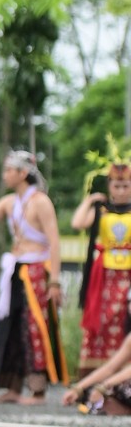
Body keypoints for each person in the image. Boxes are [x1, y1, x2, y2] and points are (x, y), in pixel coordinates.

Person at [0, 151, 67, 404]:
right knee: (11, 326)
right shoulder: (10, 202)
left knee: (34, 328)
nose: (5, 174)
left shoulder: (41, 202)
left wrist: (54, 281)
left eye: (9, 170)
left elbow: (54, 241)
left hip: (37, 270)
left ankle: (38, 391)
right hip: (15, 271)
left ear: (23, 173)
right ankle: (13, 387)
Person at [71, 141, 131, 379]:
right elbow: (77, 223)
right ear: (110, 186)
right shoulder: (102, 209)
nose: (121, 190)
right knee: (102, 319)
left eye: (126, 185)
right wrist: (90, 200)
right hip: (104, 275)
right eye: (117, 185)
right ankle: (95, 375)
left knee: (125, 320)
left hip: (128, 275)